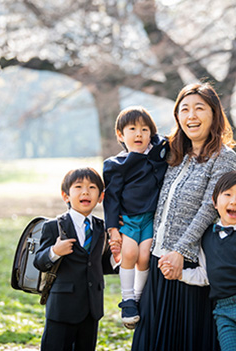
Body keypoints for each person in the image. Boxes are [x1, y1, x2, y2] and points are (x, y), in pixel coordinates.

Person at [131, 82, 236, 351]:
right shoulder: (172, 153)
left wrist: (181, 251)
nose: (191, 116)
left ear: (214, 114)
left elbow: (210, 207)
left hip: (191, 266)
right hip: (158, 262)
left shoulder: (224, 157)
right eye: (184, 109)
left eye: (199, 109)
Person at [163, 170, 236, 351]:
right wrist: (179, 274)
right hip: (223, 310)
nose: (234, 201)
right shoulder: (206, 236)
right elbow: (205, 275)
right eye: (227, 195)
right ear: (215, 201)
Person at [33, 167, 121, 351]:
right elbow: (39, 262)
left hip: (92, 307)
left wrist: (115, 258)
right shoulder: (53, 226)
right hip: (62, 308)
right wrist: (55, 251)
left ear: (100, 197)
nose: (85, 192)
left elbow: (97, 264)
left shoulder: (101, 228)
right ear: (66, 196)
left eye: (92, 187)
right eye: (78, 187)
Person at [102, 106, 168, 329]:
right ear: (121, 135)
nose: (139, 134)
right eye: (132, 129)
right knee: (129, 253)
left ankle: (138, 298)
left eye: (144, 129)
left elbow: (165, 141)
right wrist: (112, 228)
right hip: (128, 219)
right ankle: (128, 299)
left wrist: (155, 138)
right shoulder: (116, 165)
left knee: (144, 257)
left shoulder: (157, 155)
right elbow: (111, 198)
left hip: (150, 219)